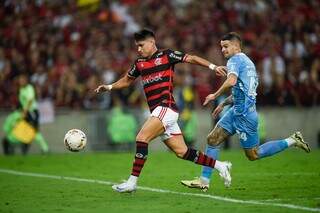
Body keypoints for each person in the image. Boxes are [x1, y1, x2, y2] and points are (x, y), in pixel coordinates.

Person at [95, 29, 232, 193]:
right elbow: (126, 81)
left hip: (165, 108)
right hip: (159, 112)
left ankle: (132, 182)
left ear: (152, 42)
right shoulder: (139, 63)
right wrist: (109, 87)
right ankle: (221, 165)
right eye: (137, 46)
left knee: (141, 138)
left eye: (141, 45)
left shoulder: (167, 56)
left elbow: (191, 58)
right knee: (182, 152)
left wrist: (213, 66)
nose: (138, 49)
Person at [181, 32, 311, 191]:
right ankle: (204, 181)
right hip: (236, 111)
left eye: (226, 46)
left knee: (253, 155)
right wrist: (224, 104)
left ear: (236, 46)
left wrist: (215, 95)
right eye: (221, 47)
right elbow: (242, 90)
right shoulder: (248, 63)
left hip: (245, 116)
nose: (223, 50)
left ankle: (292, 140)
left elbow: (231, 81)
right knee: (212, 139)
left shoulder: (234, 60)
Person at [2, 73, 49, 155]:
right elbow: (22, 102)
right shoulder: (21, 89)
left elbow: (30, 100)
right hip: (26, 112)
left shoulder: (29, 88)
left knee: (34, 131)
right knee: (24, 129)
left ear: (26, 80)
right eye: (20, 80)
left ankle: (45, 148)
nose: (21, 81)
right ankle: (15, 146)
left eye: (22, 79)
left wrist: (25, 111)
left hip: (32, 112)